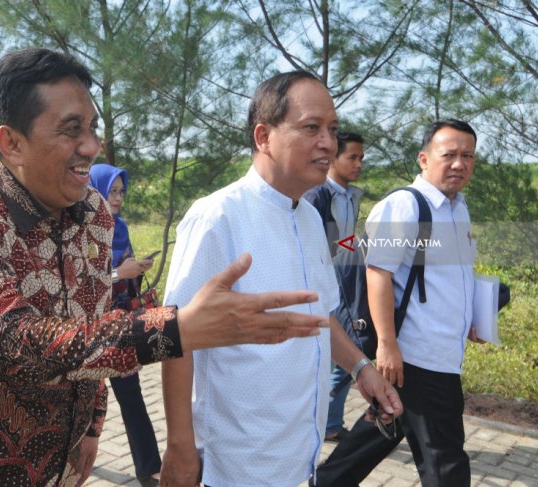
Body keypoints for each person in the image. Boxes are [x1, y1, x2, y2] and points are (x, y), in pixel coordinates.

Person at [0, 49, 329, 487]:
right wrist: (174, 329)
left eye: (92, 128)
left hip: (62, 465)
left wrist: (90, 424)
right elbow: (17, 341)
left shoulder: (92, 213)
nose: (91, 146)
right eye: (71, 131)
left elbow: (93, 321)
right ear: (11, 143)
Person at [160, 71, 402, 487]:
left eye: (332, 129)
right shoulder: (218, 218)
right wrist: (180, 448)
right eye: (311, 128)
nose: (328, 142)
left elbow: (320, 314)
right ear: (263, 136)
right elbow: (173, 336)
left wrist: (362, 368)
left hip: (297, 457)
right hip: (237, 461)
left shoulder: (308, 216)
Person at [314, 119, 480, 487]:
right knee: (446, 460)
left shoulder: (458, 209)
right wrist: (387, 346)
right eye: (448, 154)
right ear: (424, 159)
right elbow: (378, 273)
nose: (459, 163)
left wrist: (472, 318)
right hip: (417, 354)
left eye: (467, 155)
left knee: (382, 428)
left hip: (441, 351)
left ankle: (326, 482)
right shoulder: (405, 205)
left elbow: (449, 279)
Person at [89, 163, 161, 487]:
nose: (117, 198)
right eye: (111, 191)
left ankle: (149, 469)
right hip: (86, 326)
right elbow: (83, 284)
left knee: (131, 395)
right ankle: (72, 456)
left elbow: (124, 272)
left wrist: (136, 268)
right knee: (84, 396)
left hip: (118, 322)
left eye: (121, 191)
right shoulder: (82, 230)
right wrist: (120, 273)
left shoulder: (120, 228)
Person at [304, 132, 366, 441]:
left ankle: (326, 422)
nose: (358, 164)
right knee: (344, 351)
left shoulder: (351, 195)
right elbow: (323, 245)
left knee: (338, 353)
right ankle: (326, 424)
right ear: (334, 159)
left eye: (361, 158)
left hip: (345, 281)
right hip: (328, 284)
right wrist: (355, 243)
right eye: (352, 157)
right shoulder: (318, 195)